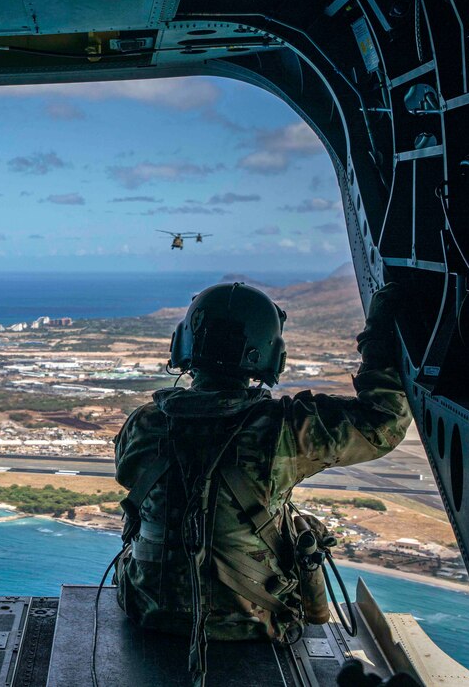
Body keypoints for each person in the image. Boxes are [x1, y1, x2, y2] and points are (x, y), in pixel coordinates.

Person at [112, 281, 411, 684]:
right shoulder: (284, 429)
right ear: (273, 355)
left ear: (183, 345)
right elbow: (382, 422)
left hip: (147, 608)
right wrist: (380, 332)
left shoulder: (143, 426)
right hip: (257, 623)